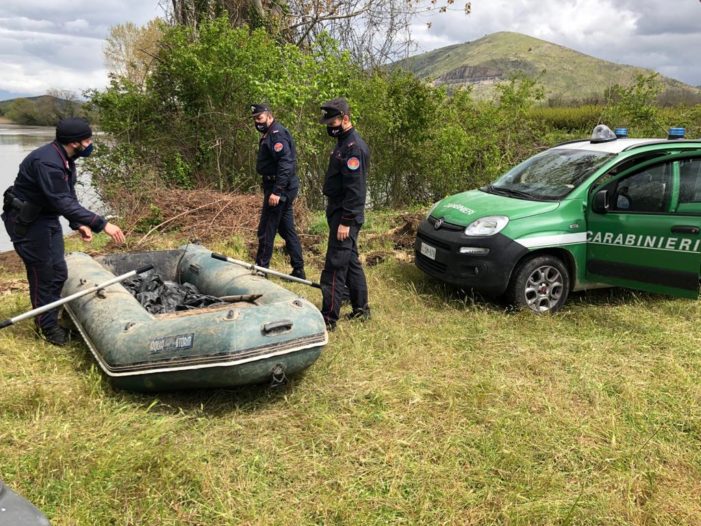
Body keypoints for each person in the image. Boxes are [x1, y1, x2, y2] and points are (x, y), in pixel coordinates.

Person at [2, 117, 125, 345]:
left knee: (58, 271)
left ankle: (50, 318)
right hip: (26, 222)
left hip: (45, 217)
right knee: (44, 273)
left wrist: (78, 223)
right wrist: (102, 224)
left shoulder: (67, 158)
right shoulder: (47, 162)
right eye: (87, 140)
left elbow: (67, 196)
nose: (90, 144)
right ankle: (47, 329)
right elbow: (60, 200)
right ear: (74, 142)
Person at [318, 97, 371, 330]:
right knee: (350, 262)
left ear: (346, 119)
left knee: (334, 267)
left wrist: (346, 222)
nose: (330, 126)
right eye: (328, 122)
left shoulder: (353, 148)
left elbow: (356, 190)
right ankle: (361, 309)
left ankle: (328, 319)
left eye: (333, 122)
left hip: (345, 215)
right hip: (338, 211)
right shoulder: (343, 142)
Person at [251, 103, 305, 279]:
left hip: (279, 188)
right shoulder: (270, 133)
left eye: (259, 118)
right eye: (254, 119)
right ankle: (299, 270)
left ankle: (262, 270)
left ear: (269, 116)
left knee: (267, 229)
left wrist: (277, 191)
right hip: (279, 186)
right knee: (287, 229)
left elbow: (285, 163)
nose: (257, 122)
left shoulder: (277, 134)